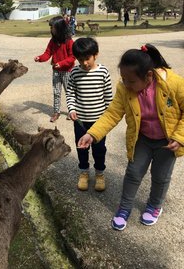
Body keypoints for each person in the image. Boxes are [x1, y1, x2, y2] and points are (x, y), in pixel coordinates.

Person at [78, 43, 184, 230]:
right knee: (133, 174)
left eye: (131, 81)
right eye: (123, 79)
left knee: (160, 177)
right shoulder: (125, 88)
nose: (126, 84)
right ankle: (124, 208)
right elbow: (112, 113)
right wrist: (92, 134)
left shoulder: (173, 83)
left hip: (167, 142)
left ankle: (154, 206)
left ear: (148, 76)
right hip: (141, 138)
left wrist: (179, 136)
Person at [66, 38, 113, 192]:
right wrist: (72, 109)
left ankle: (100, 173)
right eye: (80, 59)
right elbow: (71, 93)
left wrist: (108, 118)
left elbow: (108, 97)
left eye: (87, 58)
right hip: (80, 121)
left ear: (95, 55)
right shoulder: (74, 72)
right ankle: (84, 172)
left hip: (99, 122)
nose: (84, 63)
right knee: (81, 148)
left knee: (99, 149)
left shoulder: (103, 72)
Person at [34, 16, 75, 122]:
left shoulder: (69, 41)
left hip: (67, 71)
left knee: (69, 92)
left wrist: (61, 64)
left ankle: (72, 112)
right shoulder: (52, 41)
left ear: (60, 28)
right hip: (56, 71)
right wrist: (40, 58)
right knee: (56, 92)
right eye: (51, 27)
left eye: (52, 27)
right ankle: (56, 112)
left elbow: (72, 57)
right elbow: (47, 53)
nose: (51, 29)